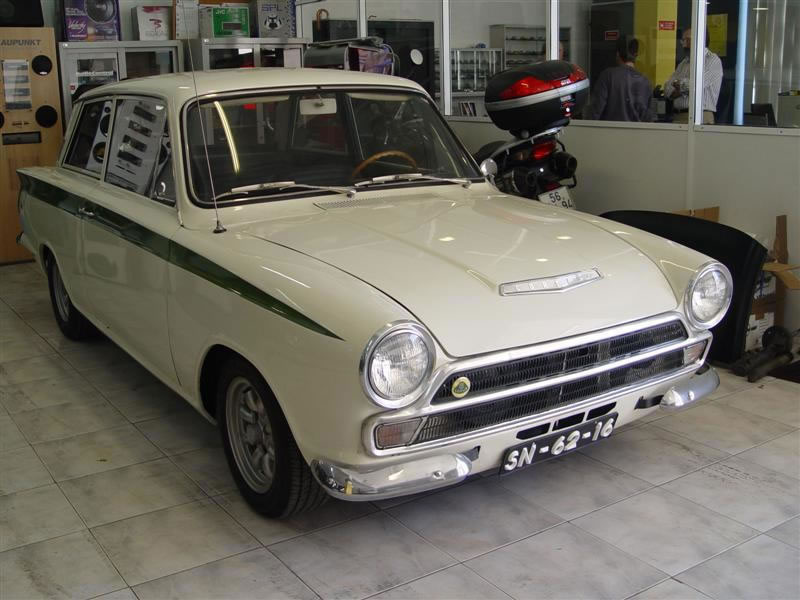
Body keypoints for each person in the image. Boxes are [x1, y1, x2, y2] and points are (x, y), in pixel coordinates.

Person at [664, 27, 723, 124]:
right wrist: (683, 88)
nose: (684, 44)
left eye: (687, 40)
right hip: (678, 116)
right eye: (683, 40)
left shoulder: (712, 60)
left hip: (700, 117)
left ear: (700, 39)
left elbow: (696, 85)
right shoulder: (683, 63)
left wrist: (680, 86)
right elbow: (667, 89)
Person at [591, 37, 653, 121]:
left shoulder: (608, 76)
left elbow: (596, 110)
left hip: (610, 128)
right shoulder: (645, 81)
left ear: (617, 54)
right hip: (635, 129)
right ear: (636, 55)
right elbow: (648, 117)